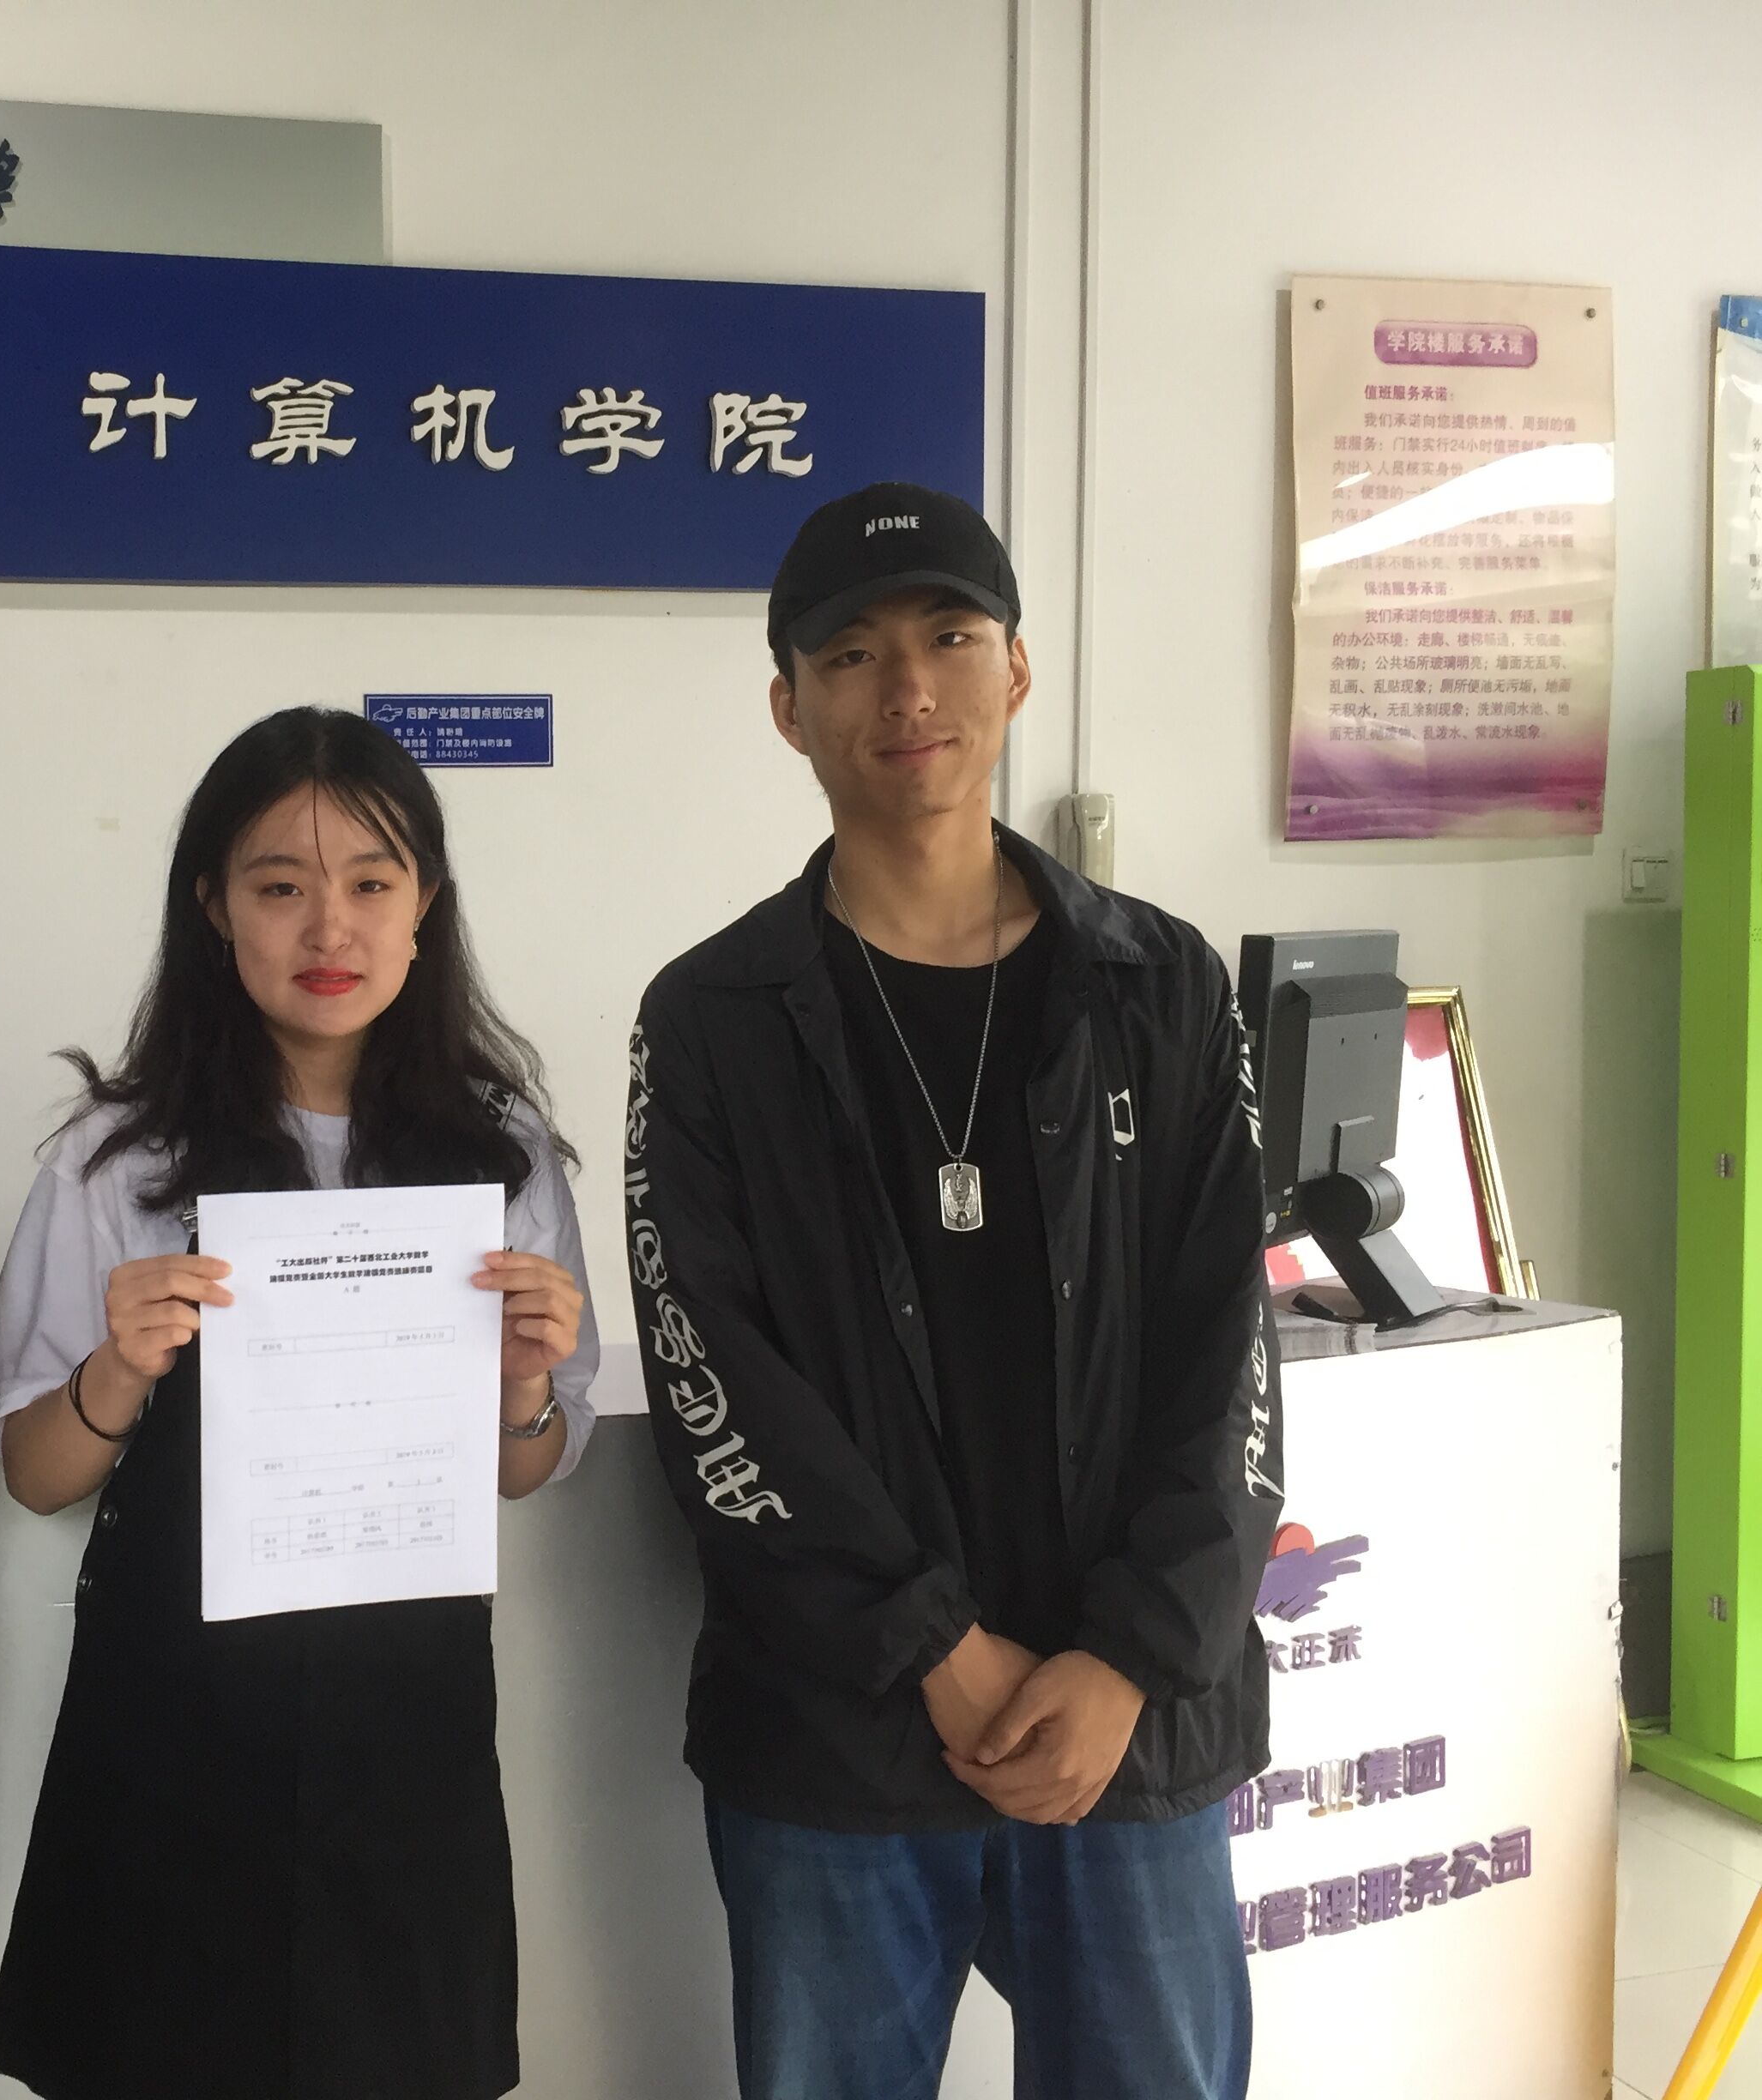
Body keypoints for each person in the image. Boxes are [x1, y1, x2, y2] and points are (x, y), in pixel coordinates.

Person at [625, 483, 1280, 2099]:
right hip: (840, 1735)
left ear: (1017, 671)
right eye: (850, 653)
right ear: (789, 707)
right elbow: (712, 1372)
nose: (906, 688)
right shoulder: (713, 1017)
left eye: (949, 636)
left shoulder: (1161, 984)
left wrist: (1129, 1656)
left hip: (1127, 1727)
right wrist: (931, 1642)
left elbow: (1229, 1346)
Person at [0, 705, 600, 2100]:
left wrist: (524, 1388)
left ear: (426, 905)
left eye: (371, 881)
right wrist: (115, 1370)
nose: (330, 928)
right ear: (213, 906)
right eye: (278, 886)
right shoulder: (115, 1158)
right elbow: (34, 1473)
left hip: (407, 1725)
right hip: (172, 1727)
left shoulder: (500, 1155)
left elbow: (527, 1465)